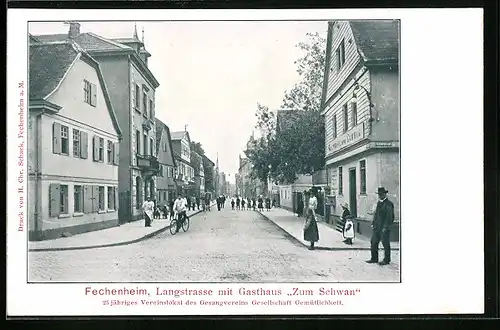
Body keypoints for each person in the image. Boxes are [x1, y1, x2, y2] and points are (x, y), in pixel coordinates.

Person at [366, 187, 395, 265]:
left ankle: (386, 260)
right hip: (377, 227)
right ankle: (374, 258)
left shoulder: (389, 204)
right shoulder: (379, 203)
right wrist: (373, 223)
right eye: (379, 194)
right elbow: (376, 215)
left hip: (384, 228)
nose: (380, 196)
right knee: (373, 242)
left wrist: (385, 227)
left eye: (381, 194)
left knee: (385, 244)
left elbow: (390, 217)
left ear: (385, 194)